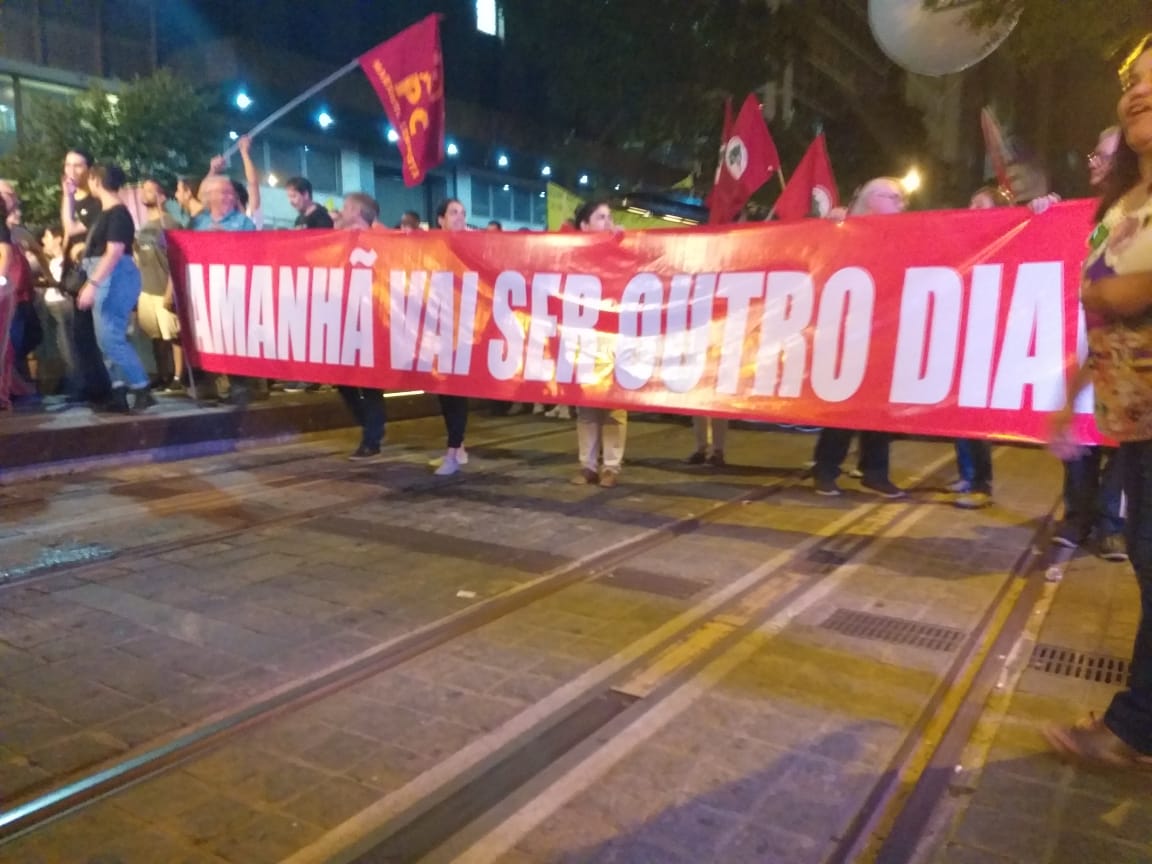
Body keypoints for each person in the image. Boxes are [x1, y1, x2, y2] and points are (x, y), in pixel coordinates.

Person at [1046, 33, 1152, 770]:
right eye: (1133, 79)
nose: (1139, 88)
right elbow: (1103, 317)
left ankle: (1134, 728)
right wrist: (1072, 396)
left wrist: (1121, 290)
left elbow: (1116, 297)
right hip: (1137, 421)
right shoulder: (1123, 206)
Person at [1051, 125, 1128, 561]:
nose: (1093, 164)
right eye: (1093, 156)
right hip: (1091, 349)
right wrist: (1041, 211)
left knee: (1125, 445)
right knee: (1081, 433)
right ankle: (1078, 517)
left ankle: (1110, 522)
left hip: (1133, 371)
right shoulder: (1097, 218)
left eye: (1103, 157)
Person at [811, 177, 907, 498]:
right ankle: (826, 468)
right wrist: (833, 225)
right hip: (849, 332)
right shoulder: (846, 227)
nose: (900, 202)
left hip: (886, 332)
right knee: (844, 403)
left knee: (878, 406)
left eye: (901, 197)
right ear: (870, 199)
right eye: (891, 196)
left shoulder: (911, 233)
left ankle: (875, 471)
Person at [75, 163, 152, 414]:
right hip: (106, 274)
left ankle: (141, 386)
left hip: (114, 276)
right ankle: (119, 391)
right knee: (105, 338)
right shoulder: (106, 212)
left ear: (97, 180)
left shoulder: (118, 212)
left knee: (110, 337)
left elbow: (115, 251)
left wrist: (93, 284)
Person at [571, 199, 627, 488]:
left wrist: (626, 244)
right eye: (600, 217)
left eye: (609, 217)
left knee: (613, 406)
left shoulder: (621, 249)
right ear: (584, 226)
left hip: (615, 336)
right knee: (587, 406)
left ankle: (612, 466)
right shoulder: (571, 255)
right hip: (583, 337)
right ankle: (588, 465)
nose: (607, 222)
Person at [334, 192, 388, 460]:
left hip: (370, 318)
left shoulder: (380, 241)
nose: (341, 211)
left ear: (356, 210)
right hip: (345, 317)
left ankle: (372, 437)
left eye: (345, 207)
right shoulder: (338, 240)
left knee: (368, 381)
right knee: (342, 379)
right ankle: (371, 425)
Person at [60, 147, 111, 405]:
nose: (71, 171)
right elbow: (67, 232)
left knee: (94, 335)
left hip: (93, 275)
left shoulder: (96, 202)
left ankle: (102, 387)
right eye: (68, 165)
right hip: (75, 275)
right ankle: (89, 385)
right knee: (78, 335)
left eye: (78, 165)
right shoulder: (73, 199)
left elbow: (73, 227)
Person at [430, 198, 470, 476]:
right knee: (444, 393)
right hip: (438, 331)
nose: (459, 217)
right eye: (453, 212)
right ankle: (458, 445)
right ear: (440, 219)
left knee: (457, 393)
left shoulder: (474, 245)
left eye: (462, 213)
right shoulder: (430, 247)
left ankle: (453, 451)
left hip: (465, 332)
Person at [134, 178, 184, 392]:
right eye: (143, 190)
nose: (144, 193)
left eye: (150, 190)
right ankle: (162, 374)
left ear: (162, 197)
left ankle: (178, 376)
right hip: (146, 288)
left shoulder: (170, 224)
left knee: (172, 335)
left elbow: (177, 260)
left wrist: (170, 290)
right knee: (155, 335)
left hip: (164, 286)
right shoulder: (143, 227)